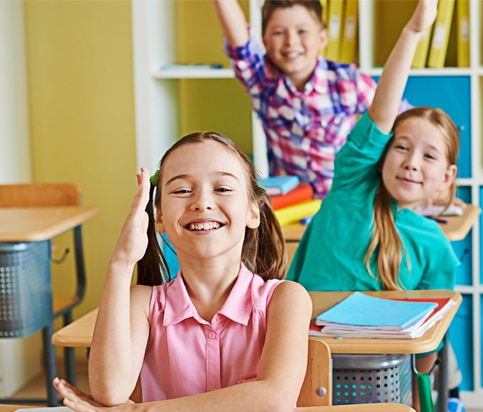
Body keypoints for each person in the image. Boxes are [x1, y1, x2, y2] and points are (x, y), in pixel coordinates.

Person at [283, 0, 462, 409]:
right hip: (301, 359)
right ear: (381, 154)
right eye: (401, 147)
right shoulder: (352, 188)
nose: (412, 162)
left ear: (447, 178)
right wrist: (413, 32)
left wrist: (422, 395)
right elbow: (384, 108)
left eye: (429, 156)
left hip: (377, 377)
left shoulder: (434, 244)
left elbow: (426, 346)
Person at [53, 133, 312, 410]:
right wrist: (121, 263)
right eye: (182, 190)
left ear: (253, 211)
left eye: (222, 188)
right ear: (160, 217)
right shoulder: (143, 304)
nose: (202, 202)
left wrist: (138, 411)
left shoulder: (285, 299)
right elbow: (110, 391)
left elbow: (275, 400)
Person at [213, 0, 407, 199]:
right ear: (265, 42)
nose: (291, 42)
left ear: (322, 38)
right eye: (279, 33)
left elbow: (401, 118)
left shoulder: (348, 81)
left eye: (302, 31)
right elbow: (240, 47)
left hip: (348, 201)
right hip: (293, 205)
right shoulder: (263, 82)